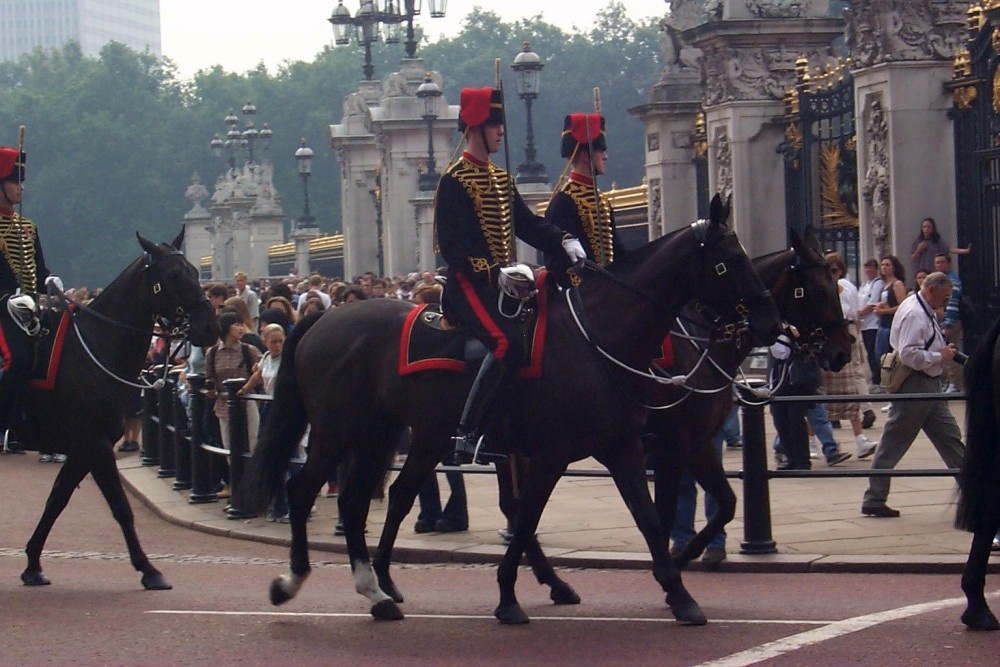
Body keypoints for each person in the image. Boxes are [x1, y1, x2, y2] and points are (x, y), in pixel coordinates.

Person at [437, 85, 585, 465]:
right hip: (469, 284)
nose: (501, 131)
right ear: (475, 127)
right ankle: (470, 432)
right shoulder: (454, 180)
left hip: (507, 287)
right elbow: (451, 246)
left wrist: (563, 239)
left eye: (501, 125)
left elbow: (529, 225)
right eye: (494, 124)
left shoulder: (502, 180)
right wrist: (492, 272)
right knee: (507, 345)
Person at [861, 272, 966, 518]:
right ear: (930, 290)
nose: (946, 300)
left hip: (928, 384)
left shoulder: (919, 306)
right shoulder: (915, 314)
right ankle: (874, 498)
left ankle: (975, 491)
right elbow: (909, 354)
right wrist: (941, 356)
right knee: (893, 443)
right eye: (944, 295)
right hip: (915, 384)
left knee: (950, 439)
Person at [0, 144, 62, 442]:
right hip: (3, 306)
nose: (21, 188)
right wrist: (8, 298)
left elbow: (39, 270)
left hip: (29, 307)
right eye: (15, 182)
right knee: (18, 360)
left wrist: (51, 283)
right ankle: (4, 425)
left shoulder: (28, 227)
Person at [543, 111, 627, 286]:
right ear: (584, 155)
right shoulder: (562, 202)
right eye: (600, 150)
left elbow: (618, 252)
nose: (605, 156)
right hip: (582, 293)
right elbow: (558, 262)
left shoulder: (602, 201)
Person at [820, 252, 874, 461]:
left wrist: (856, 341)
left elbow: (855, 317)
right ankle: (813, 440)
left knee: (851, 388)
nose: (832, 275)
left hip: (845, 339)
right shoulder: (822, 291)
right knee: (819, 396)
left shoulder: (847, 289)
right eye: (829, 271)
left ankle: (860, 438)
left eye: (835, 270)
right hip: (827, 343)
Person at [768, 323, 821, 470]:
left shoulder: (798, 321)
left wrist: (793, 333)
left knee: (795, 417)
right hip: (781, 372)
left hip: (798, 374)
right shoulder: (775, 324)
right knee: (779, 417)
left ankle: (802, 460)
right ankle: (791, 458)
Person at [933, 252, 963, 393]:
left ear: (948, 263)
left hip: (951, 321)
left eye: (942, 262)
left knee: (951, 351)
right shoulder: (941, 280)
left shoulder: (952, 281)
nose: (939, 265)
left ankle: (955, 383)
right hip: (942, 320)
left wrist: (948, 323)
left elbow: (952, 303)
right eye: (937, 262)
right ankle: (949, 381)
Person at [873, 255, 907, 363]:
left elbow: (902, 306)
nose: (884, 267)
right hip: (883, 324)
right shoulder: (884, 285)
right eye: (882, 265)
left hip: (892, 325)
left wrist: (884, 311)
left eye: (887, 265)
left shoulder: (897, 284)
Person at [857, 259, 884, 390]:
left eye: (870, 268)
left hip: (873, 323)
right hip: (864, 325)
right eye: (866, 268)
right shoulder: (864, 285)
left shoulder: (877, 283)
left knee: (874, 352)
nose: (868, 271)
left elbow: (872, 302)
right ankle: (874, 378)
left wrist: (860, 313)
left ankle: (878, 380)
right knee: (868, 353)